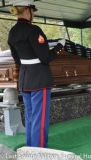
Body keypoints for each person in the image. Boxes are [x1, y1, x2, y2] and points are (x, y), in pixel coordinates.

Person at [7, 0, 65, 148]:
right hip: (40, 79)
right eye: (33, 11)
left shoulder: (13, 32)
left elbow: (17, 60)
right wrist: (59, 47)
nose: (33, 14)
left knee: (31, 117)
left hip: (25, 79)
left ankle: (30, 150)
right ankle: (39, 153)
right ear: (28, 11)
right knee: (40, 119)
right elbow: (45, 57)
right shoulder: (34, 30)